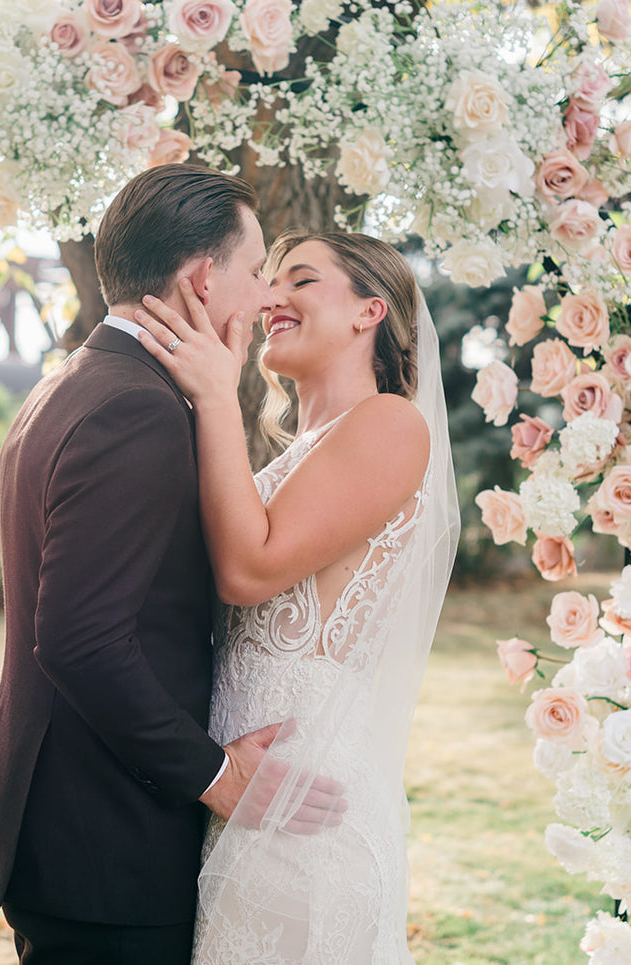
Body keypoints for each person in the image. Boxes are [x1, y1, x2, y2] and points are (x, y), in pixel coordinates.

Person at [0, 165, 344, 965]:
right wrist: (216, 776)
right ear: (203, 278)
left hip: (63, 831)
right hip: (104, 844)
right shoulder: (135, 407)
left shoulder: (71, 383)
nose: (263, 297)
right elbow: (77, 639)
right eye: (253, 271)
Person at [135, 230, 459, 963]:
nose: (271, 297)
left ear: (368, 311)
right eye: (268, 280)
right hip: (244, 799)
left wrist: (215, 392)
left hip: (308, 816)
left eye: (301, 281)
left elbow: (249, 572)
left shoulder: (388, 423)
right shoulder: (295, 458)